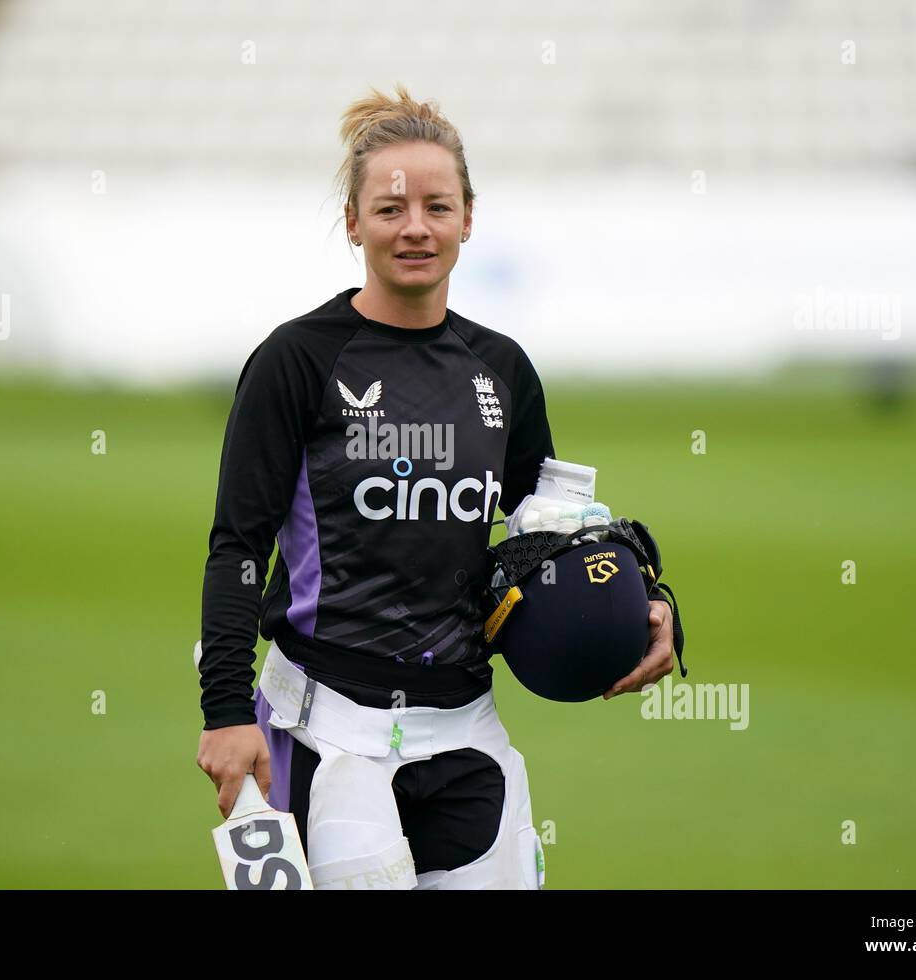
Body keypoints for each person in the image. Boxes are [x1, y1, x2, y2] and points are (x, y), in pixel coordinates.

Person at [196, 84, 677, 889]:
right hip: (323, 730)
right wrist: (224, 711)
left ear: (467, 218)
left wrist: (645, 604)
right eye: (389, 209)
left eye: (436, 206)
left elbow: (547, 540)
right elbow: (238, 547)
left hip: (464, 728)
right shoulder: (296, 360)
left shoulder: (504, 370)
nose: (414, 226)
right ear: (353, 222)